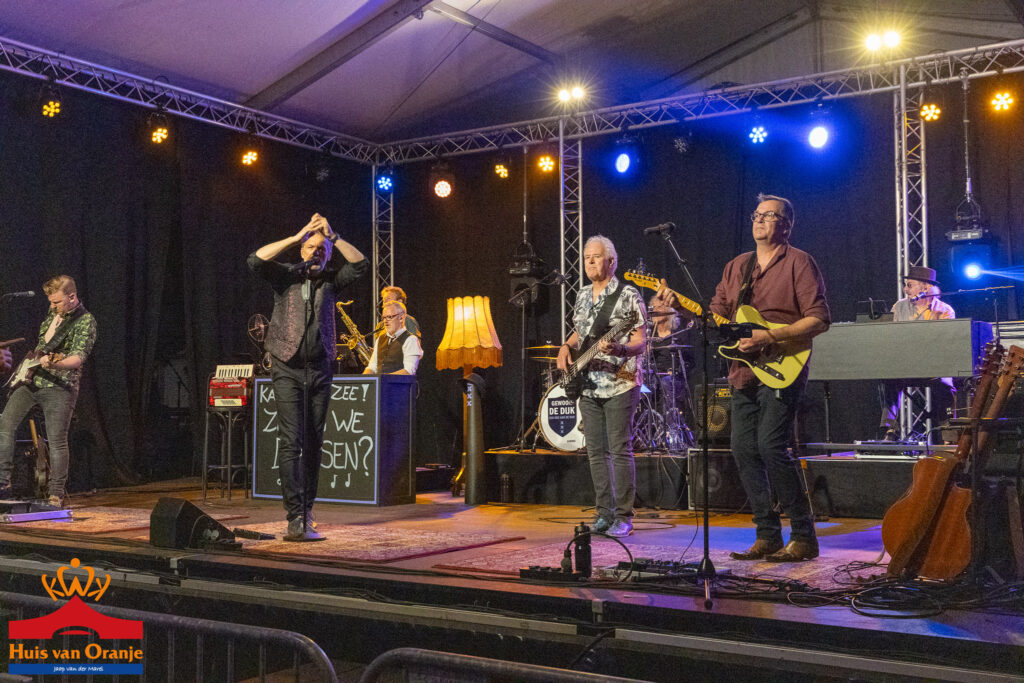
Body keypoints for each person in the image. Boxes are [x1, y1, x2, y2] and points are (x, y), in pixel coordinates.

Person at [658, 193, 829, 562]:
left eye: (769, 215)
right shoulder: (737, 266)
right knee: (743, 449)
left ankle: (804, 535)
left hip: (784, 366)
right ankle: (767, 534)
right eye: (756, 214)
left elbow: (819, 319)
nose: (759, 220)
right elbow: (714, 317)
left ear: (787, 225)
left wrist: (770, 336)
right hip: (743, 370)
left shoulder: (799, 262)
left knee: (771, 447)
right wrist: (680, 307)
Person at [248, 214, 368, 541]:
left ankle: (307, 511)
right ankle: (294, 515)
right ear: (302, 250)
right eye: (311, 247)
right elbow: (255, 260)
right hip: (286, 366)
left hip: (320, 367)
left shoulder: (331, 280)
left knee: (314, 440)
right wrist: (295, 236)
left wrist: (335, 237)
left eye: (322, 250)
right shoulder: (285, 276)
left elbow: (360, 265)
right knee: (291, 440)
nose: (316, 252)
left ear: (328, 256)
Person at [556, 236, 647, 537]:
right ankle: (603, 514)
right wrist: (565, 347)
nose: (590, 262)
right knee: (595, 451)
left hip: (620, 381)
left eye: (596, 257)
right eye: (586, 258)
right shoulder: (582, 294)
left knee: (619, 449)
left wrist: (620, 349)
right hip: (588, 384)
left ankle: (623, 516)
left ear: (612, 261)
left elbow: (641, 340)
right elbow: (580, 332)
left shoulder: (628, 294)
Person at [0, 275, 97, 508]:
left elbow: (78, 358)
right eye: (50, 302)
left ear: (72, 296)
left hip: (60, 386)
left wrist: (56, 363)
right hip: (32, 380)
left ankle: (55, 494)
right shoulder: (52, 314)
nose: (52, 307)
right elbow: (42, 347)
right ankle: (2, 483)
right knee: (5, 425)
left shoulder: (85, 321)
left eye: (57, 302)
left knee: (57, 440)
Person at [878, 265, 956, 439]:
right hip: (905, 364)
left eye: (909, 285)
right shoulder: (899, 306)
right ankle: (890, 430)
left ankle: (949, 434)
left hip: (934, 366)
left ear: (925, 288)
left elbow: (946, 344)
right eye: (905, 285)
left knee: (945, 383)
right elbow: (890, 337)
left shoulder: (944, 310)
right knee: (887, 378)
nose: (905, 289)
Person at [363, 301, 423, 375]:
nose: (385, 321)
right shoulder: (380, 339)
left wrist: (383, 379)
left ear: (401, 318)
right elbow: (372, 367)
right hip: (381, 382)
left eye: (389, 317)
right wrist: (363, 379)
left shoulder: (411, 340)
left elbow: (409, 371)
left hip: (399, 383)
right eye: (384, 317)